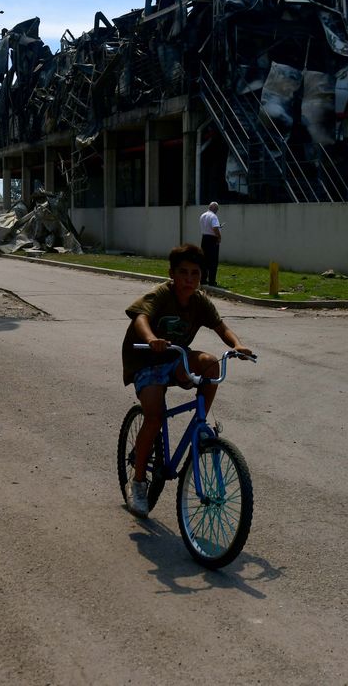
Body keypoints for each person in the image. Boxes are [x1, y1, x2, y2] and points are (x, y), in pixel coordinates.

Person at [121, 243, 252, 517]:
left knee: (212, 364)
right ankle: (138, 482)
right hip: (145, 360)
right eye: (183, 273)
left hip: (175, 359)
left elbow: (221, 327)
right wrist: (151, 339)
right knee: (155, 418)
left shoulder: (199, 301)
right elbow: (141, 319)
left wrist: (237, 345)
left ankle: (200, 423)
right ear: (172, 274)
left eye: (195, 273)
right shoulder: (160, 295)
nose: (189, 279)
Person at [199, 201, 222, 286]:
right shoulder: (213, 216)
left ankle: (203, 279)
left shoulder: (203, 215)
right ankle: (212, 281)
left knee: (204, 260)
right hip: (212, 239)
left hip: (204, 238)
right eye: (217, 209)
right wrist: (219, 237)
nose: (217, 210)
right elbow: (215, 228)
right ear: (215, 208)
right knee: (213, 260)